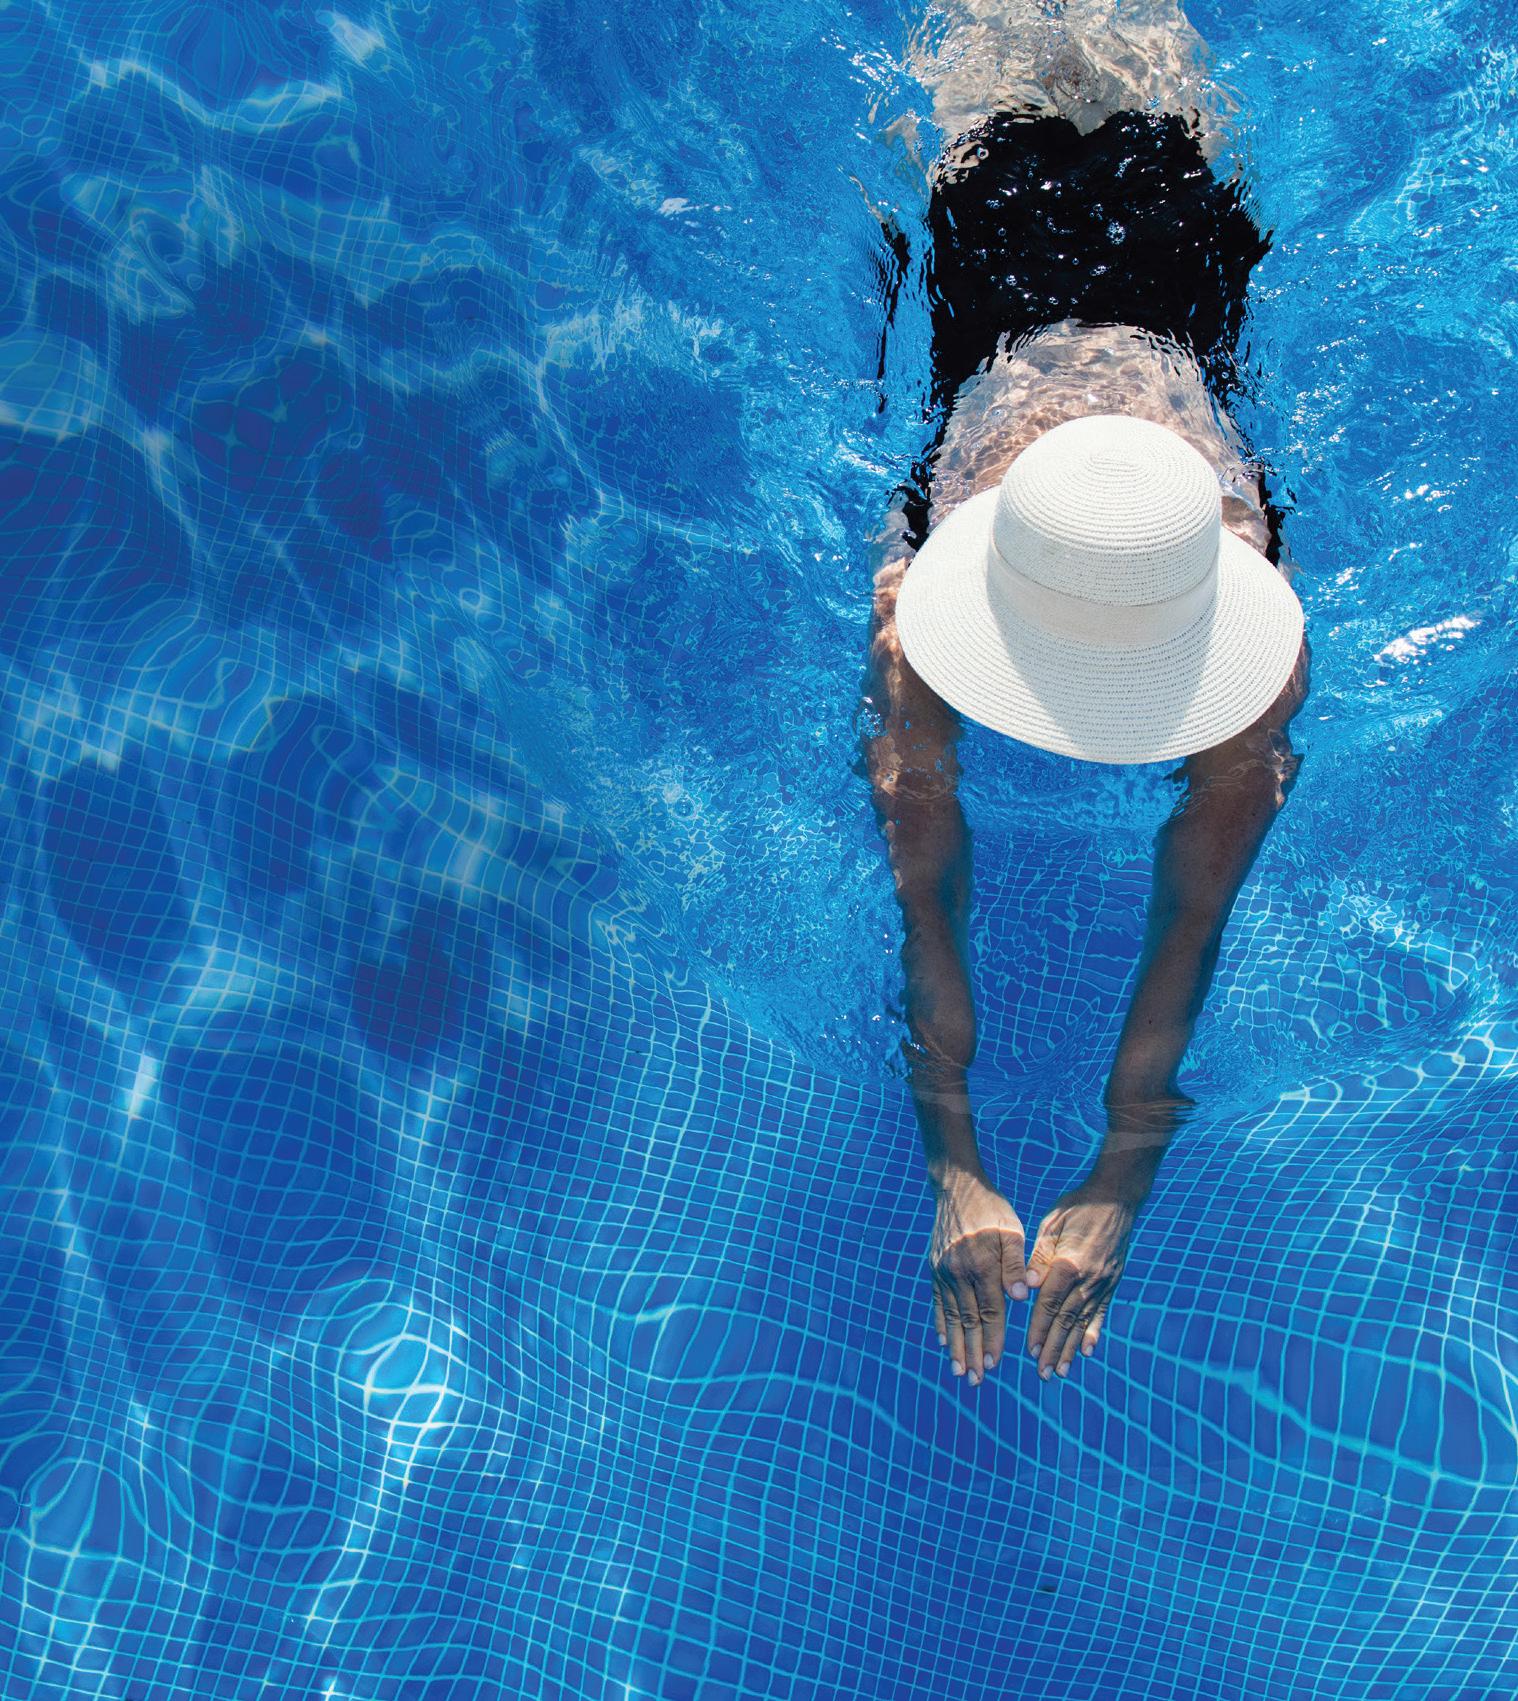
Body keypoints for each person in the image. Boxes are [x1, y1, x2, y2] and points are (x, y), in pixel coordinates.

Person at [858, 0, 1311, 1388]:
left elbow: (1176, 909)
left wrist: (1121, 1170)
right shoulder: (914, 618)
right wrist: (954, 1162)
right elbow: (929, 873)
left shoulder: (1260, 653)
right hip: (1034, 244)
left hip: (1145, 259)